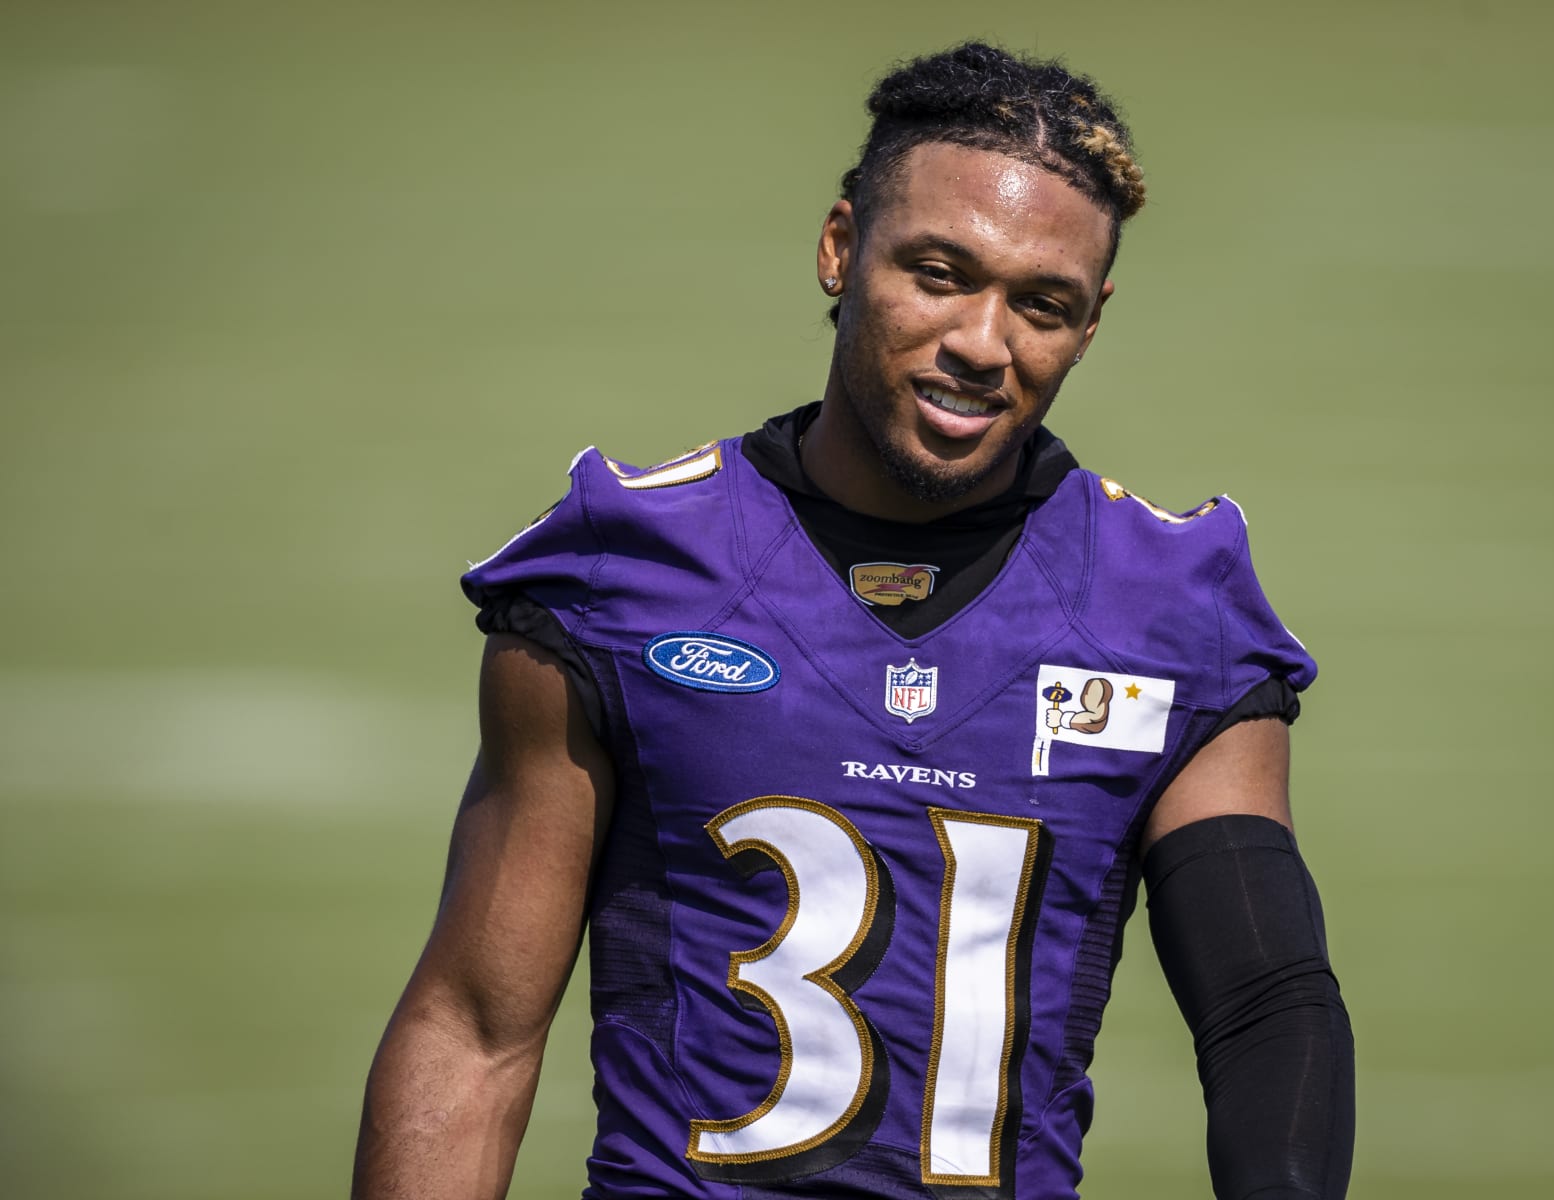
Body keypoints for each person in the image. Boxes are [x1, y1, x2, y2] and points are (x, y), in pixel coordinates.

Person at [353, 41, 1353, 1200]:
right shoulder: (628, 567)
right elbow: (477, 1028)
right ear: (840, 248)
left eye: (1042, 304)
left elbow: (1265, 1008)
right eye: (939, 273)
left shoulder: (1175, 608)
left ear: (1090, 325)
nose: (983, 342)